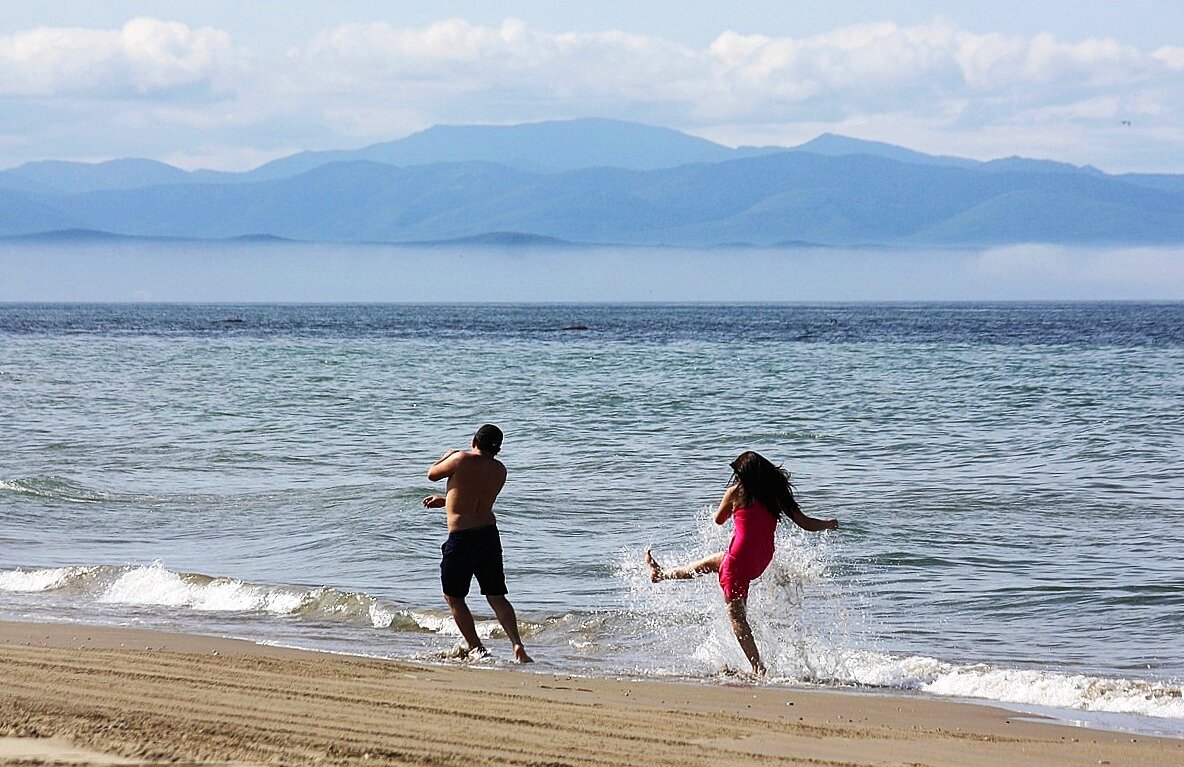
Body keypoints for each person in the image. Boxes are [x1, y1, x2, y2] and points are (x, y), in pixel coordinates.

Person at [645, 451, 838, 675]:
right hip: (760, 559)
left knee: (737, 617)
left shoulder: (736, 492)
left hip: (738, 562)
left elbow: (718, 520)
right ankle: (660, 574)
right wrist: (828, 523)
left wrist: (732, 506)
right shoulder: (775, 493)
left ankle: (757, 667)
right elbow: (805, 523)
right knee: (711, 563)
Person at [423, 424, 533, 663]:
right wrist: (446, 500)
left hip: (463, 538)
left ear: (474, 441)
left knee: (453, 596)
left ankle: (476, 647)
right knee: (496, 596)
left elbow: (432, 474)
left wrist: (447, 455)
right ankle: (517, 646)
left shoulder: (460, 459)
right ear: (498, 449)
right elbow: (477, 498)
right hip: (488, 535)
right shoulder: (500, 470)